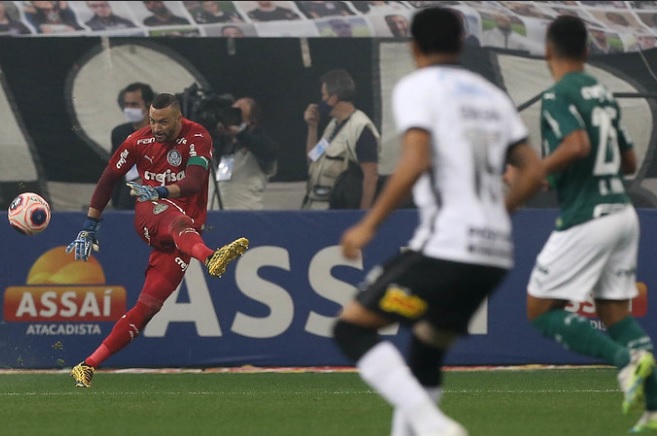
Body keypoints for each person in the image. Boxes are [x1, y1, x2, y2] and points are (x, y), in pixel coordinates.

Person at [331, 7, 544, 436]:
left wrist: (369, 223)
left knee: (351, 329)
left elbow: (415, 161)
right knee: (425, 349)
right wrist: (497, 215)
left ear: (413, 47)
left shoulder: (419, 86)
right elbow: (534, 172)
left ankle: (435, 427)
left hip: (447, 247)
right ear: (462, 43)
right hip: (494, 255)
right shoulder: (491, 95)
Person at [525, 15, 657, 434]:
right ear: (586, 51)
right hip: (622, 211)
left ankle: (627, 363)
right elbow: (630, 161)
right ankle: (654, 411)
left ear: (548, 50)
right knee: (615, 313)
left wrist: (541, 170)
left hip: (588, 216)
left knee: (541, 310)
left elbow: (576, 144)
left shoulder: (558, 94)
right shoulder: (603, 94)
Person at [67, 93, 249, 388]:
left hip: (182, 233)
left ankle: (87, 364)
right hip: (151, 214)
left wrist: (162, 190)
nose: (156, 127)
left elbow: (195, 181)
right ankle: (210, 257)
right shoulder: (137, 141)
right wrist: (90, 223)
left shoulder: (198, 137)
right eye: (152, 120)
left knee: (149, 306)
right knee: (176, 219)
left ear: (179, 118)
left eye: (163, 122)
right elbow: (108, 179)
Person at [302, 69, 381, 210]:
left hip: (340, 212)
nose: (321, 101)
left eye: (323, 95)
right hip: (316, 207)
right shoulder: (332, 127)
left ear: (333, 98)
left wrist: (362, 216)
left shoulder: (360, 129)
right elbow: (312, 159)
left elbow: (371, 176)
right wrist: (312, 127)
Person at [211, 97, 279, 210]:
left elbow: (270, 150)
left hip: (246, 214)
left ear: (251, 122)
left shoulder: (259, 145)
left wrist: (239, 133)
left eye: (238, 113)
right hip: (222, 212)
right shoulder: (227, 147)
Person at [110, 82, 156, 211]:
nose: (129, 109)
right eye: (126, 105)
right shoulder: (120, 134)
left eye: (134, 105)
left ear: (149, 105)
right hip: (127, 204)